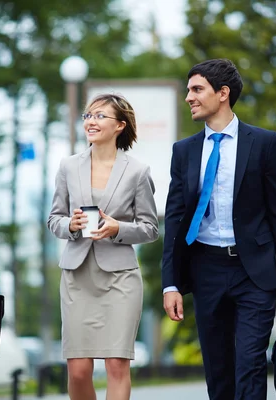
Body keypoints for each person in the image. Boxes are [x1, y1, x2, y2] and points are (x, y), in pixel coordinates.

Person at [161, 59, 276, 400]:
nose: (188, 97)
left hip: (255, 271)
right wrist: (171, 283)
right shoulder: (184, 151)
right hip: (206, 269)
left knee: (250, 363)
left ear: (223, 93)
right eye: (189, 90)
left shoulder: (264, 143)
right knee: (218, 369)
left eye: (197, 89)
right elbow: (175, 220)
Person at [48, 93, 159, 400]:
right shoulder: (68, 166)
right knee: (79, 370)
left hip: (120, 280)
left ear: (120, 126)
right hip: (77, 276)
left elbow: (150, 229)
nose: (91, 122)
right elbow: (54, 218)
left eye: (99, 116)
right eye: (88, 116)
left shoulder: (137, 171)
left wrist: (117, 228)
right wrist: (70, 225)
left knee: (116, 366)